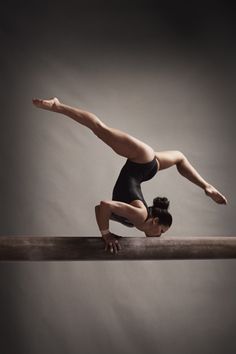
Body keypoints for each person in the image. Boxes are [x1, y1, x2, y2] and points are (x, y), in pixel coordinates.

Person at [32, 97, 227, 254]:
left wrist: (107, 231)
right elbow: (106, 205)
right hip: (141, 158)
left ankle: (206, 187)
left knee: (179, 158)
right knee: (100, 129)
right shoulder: (140, 215)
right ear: (155, 221)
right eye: (161, 231)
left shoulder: (133, 222)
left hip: (147, 168)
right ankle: (58, 106)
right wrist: (106, 234)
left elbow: (99, 209)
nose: (159, 236)